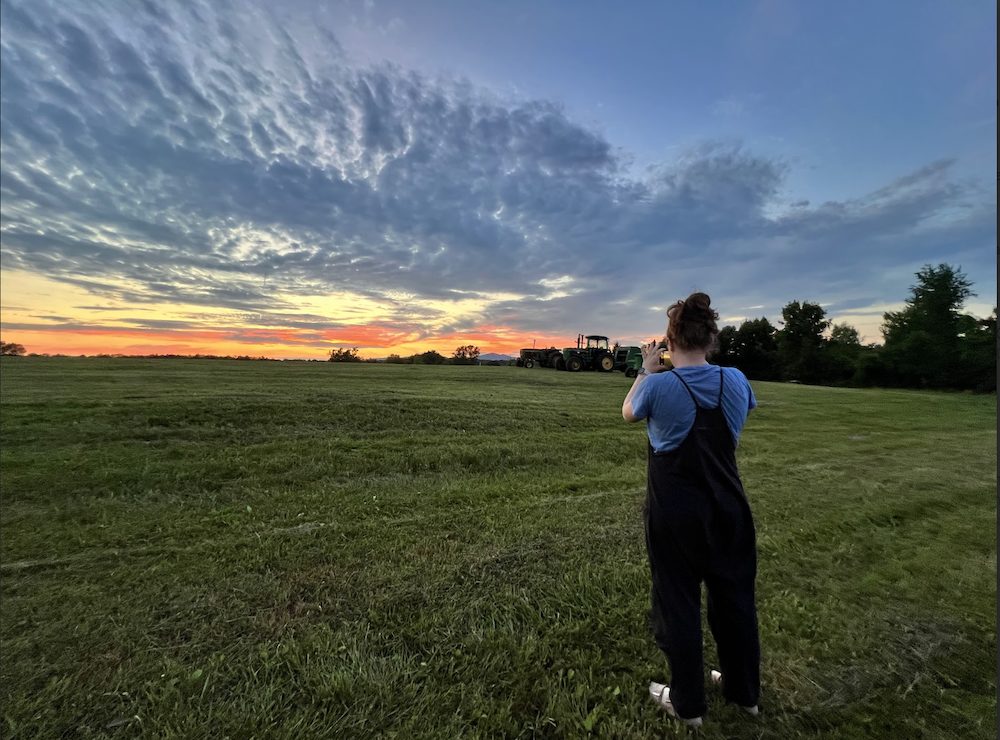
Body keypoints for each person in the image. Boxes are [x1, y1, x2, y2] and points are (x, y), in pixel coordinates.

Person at [621, 292, 761, 729]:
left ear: (669, 339)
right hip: (729, 509)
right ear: (711, 338)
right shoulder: (736, 380)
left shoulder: (659, 384)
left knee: (678, 603)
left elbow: (628, 413)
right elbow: (742, 410)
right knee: (735, 601)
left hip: (675, 514)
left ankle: (688, 705)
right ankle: (745, 694)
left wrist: (646, 370)